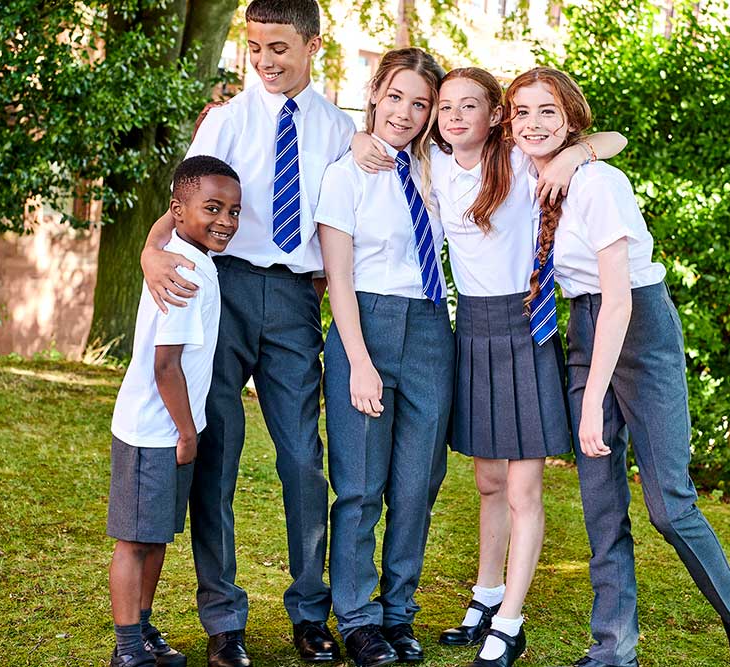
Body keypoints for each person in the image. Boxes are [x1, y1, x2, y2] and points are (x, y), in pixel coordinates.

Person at [352, 67, 627, 667]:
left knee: (525, 487)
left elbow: (614, 141)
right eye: (445, 106)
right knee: (488, 481)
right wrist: (357, 138)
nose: (453, 115)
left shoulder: (522, 159)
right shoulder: (432, 165)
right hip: (469, 329)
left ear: (494, 114)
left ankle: (510, 623)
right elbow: (371, 141)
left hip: (524, 325)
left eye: (469, 105)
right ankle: (486, 595)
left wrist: (573, 154)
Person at [507, 66, 730, 667]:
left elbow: (620, 300)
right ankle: (613, 649)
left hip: (638, 329)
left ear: (571, 118)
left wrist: (594, 397)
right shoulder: (528, 167)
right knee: (600, 504)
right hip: (582, 325)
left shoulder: (601, 185)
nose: (533, 123)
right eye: (522, 112)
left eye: (548, 111)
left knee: (669, 505)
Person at [139, 1, 356, 664]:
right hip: (223, 292)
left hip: (294, 298)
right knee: (218, 455)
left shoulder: (340, 129)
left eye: (280, 48)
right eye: (256, 47)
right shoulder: (226, 120)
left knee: (301, 460)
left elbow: (344, 224)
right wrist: (151, 252)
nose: (265, 60)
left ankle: (309, 609)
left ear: (313, 46)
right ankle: (223, 617)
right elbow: (181, 204)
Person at [315, 47, 451, 667]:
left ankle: (399, 612)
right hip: (362, 323)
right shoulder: (344, 173)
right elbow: (337, 279)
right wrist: (359, 360)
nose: (405, 112)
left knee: (419, 484)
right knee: (361, 486)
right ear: (374, 94)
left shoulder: (437, 171)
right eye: (395, 96)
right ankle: (360, 618)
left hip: (429, 329)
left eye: (419, 103)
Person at [107, 156, 242, 667]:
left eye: (233, 210)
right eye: (212, 208)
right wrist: (188, 431)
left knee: (157, 536)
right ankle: (126, 652)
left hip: (173, 429)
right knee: (134, 543)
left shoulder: (184, 253)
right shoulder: (181, 271)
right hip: (154, 432)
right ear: (180, 211)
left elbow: (172, 216)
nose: (226, 221)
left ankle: (141, 630)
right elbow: (167, 366)